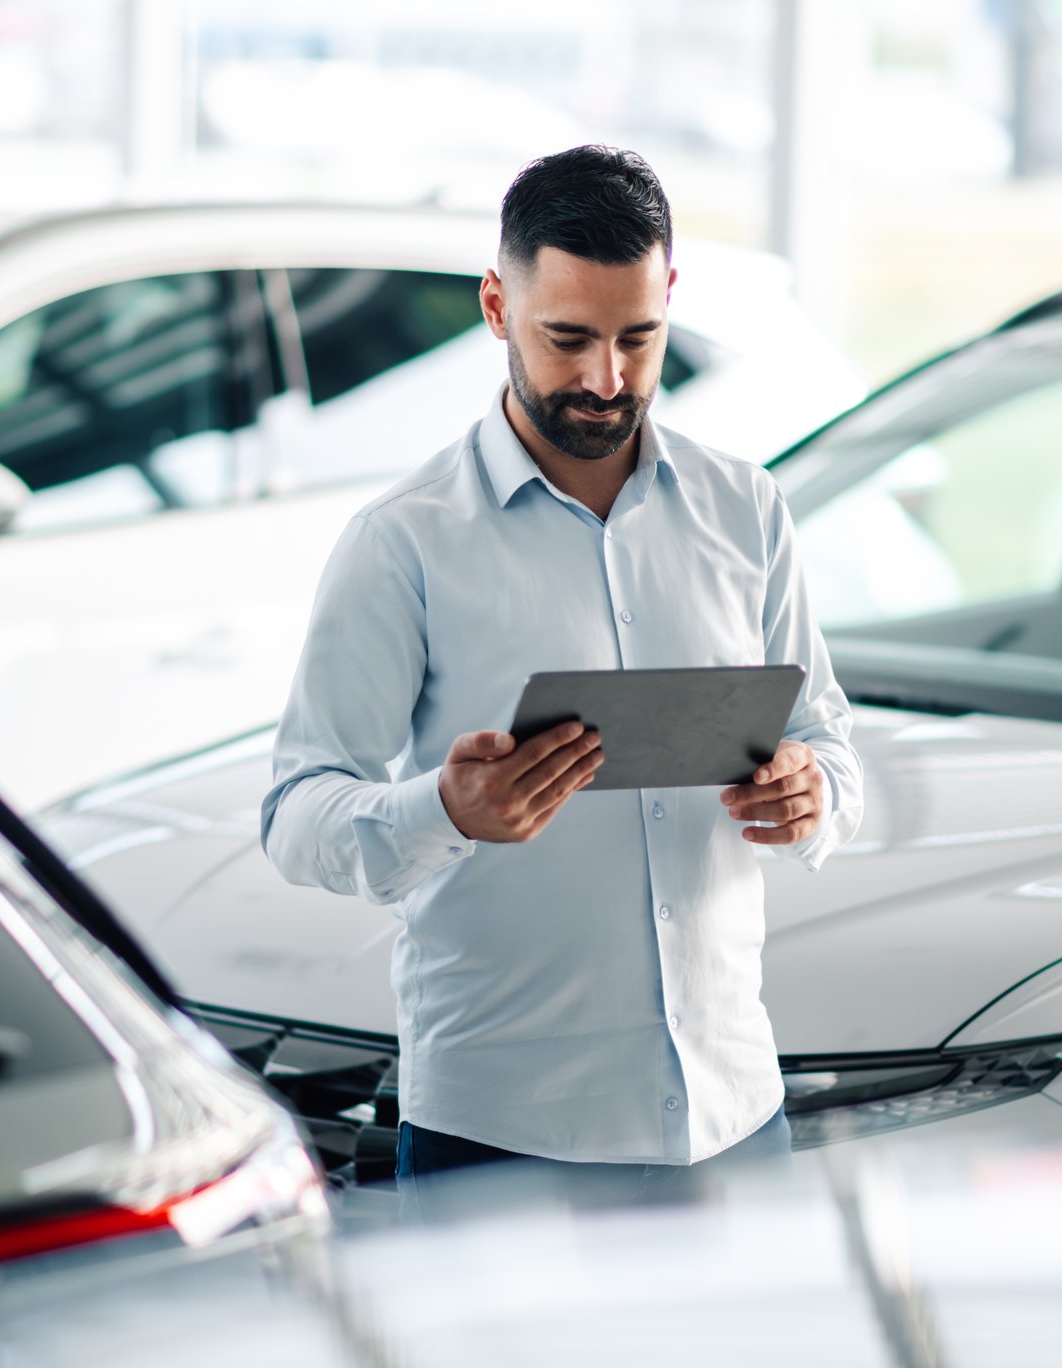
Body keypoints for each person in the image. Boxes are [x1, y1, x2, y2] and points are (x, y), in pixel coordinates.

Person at [260, 145, 862, 1207]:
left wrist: (811, 795)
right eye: (567, 338)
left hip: (731, 1118)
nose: (606, 380)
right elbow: (296, 810)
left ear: (671, 296)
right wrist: (440, 809)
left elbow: (829, 742)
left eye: (639, 338)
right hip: (503, 1137)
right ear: (497, 306)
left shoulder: (746, 510)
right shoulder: (404, 542)